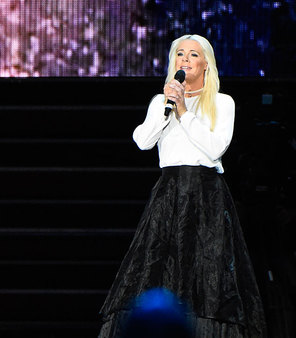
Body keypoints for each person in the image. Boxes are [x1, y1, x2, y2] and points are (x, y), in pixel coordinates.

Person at [98, 35, 266, 337]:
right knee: (159, 268)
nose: (185, 60)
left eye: (193, 55)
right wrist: (167, 107)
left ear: (205, 65)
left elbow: (215, 148)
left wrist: (185, 113)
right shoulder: (161, 101)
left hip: (206, 196)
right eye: (180, 54)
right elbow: (142, 141)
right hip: (169, 195)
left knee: (208, 274)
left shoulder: (222, 102)